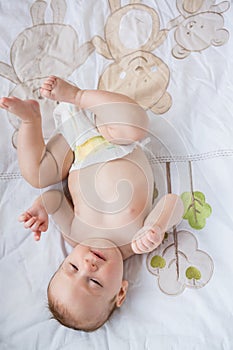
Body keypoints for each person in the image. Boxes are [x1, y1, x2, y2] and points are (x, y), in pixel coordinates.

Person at [0, 76, 184, 332]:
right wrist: (157, 226)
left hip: (75, 149)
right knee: (136, 125)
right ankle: (80, 97)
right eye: (95, 282)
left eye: (72, 267)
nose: (88, 266)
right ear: (120, 292)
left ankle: (31, 120)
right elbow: (173, 202)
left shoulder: (76, 235)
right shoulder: (138, 241)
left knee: (36, 175)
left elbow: (55, 199)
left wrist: (40, 207)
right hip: (114, 135)